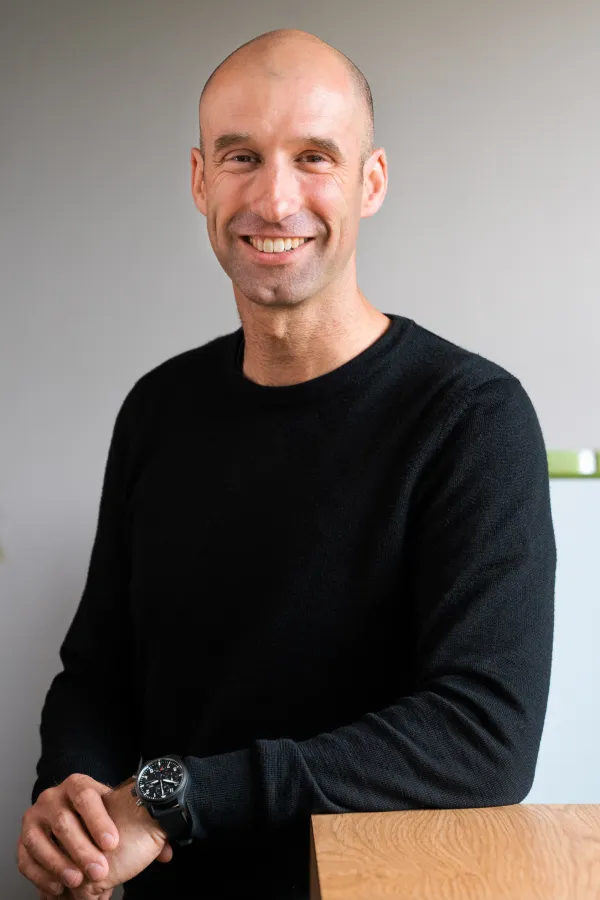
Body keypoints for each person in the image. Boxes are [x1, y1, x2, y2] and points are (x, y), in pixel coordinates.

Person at [17, 27, 556, 900]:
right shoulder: (157, 409)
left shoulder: (469, 420)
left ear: (368, 181)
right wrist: (73, 797)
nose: (274, 199)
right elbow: (96, 673)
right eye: (241, 156)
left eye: (314, 156)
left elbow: (483, 738)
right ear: (200, 180)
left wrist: (171, 801)